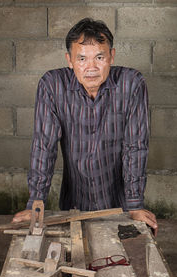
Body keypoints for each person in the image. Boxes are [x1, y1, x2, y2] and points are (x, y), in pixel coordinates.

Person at [12, 18, 158, 236]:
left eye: (99, 57)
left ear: (112, 57)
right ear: (69, 60)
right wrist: (36, 202)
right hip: (74, 202)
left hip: (120, 203)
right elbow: (44, 146)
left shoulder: (131, 84)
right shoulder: (52, 85)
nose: (91, 67)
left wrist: (135, 204)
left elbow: (136, 147)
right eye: (82, 59)